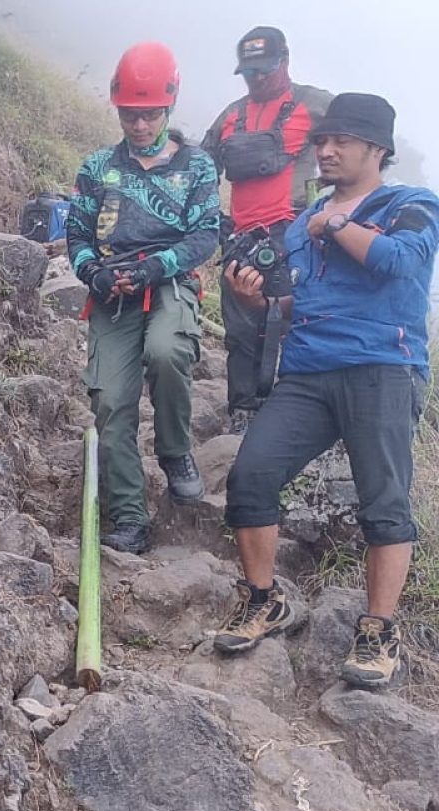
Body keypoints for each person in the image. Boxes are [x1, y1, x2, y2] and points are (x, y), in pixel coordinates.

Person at [218, 93, 436, 688]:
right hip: (308, 374)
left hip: (382, 369)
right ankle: (263, 599)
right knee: (251, 475)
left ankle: (379, 631)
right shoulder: (299, 224)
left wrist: (337, 223)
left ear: (377, 149)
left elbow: (400, 261)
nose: (327, 150)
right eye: (321, 141)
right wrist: (254, 297)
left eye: (341, 141)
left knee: (384, 499)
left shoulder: (410, 204)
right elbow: (293, 305)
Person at [66, 42, 221, 555]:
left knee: (168, 351)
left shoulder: (196, 168)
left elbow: (204, 236)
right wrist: (95, 274)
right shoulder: (97, 167)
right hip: (113, 293)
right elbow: (78, 234)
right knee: (110, 403)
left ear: (168, 107)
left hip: (169, 281)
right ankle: (130, 516)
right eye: (130, 114)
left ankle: (175, 451)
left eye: (149, 114)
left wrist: (156, 266)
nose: (138, 124)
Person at [201, 27, 332, 430]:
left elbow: (359, 145)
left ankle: (297, 411)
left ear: (285, 61)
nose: (256, 79)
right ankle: (242, 410)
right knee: (241, 327)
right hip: (243, 236)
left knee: (296, 321)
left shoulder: (317, 104)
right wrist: (216, 222)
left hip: (296, 233)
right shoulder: (230, 115)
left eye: (264, 70)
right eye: (249, 72)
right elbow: (202, 168)